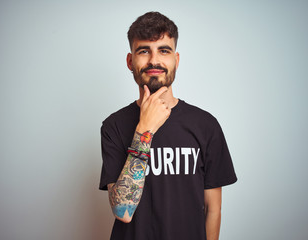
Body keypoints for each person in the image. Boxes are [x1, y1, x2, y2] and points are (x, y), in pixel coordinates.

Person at [99, 11, 237, 240]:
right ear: (130, 61)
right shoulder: (113, 126)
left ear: (176, 60)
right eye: (144, 50)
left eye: (164, 50)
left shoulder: (205, 125)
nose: (154, 60)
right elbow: (123, 211)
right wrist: (144, 130)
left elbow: (213, 209)